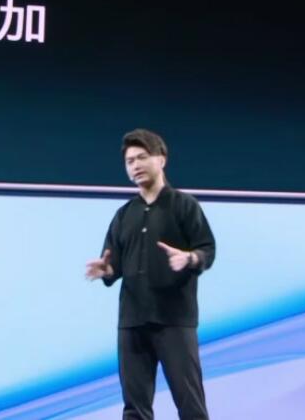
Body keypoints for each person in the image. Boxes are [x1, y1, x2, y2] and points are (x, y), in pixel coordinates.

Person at [85, 128, 217, 420]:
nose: (135, 165)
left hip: (174, 320)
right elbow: (114, 264)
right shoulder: (124, 215)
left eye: (142, 157)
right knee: (134, 409)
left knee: (191, 406)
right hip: (132, 322)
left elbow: (207, 249)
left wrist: (190, 258)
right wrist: (108, 270)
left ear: (161, 159)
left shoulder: (184, 205)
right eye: (130, 161)